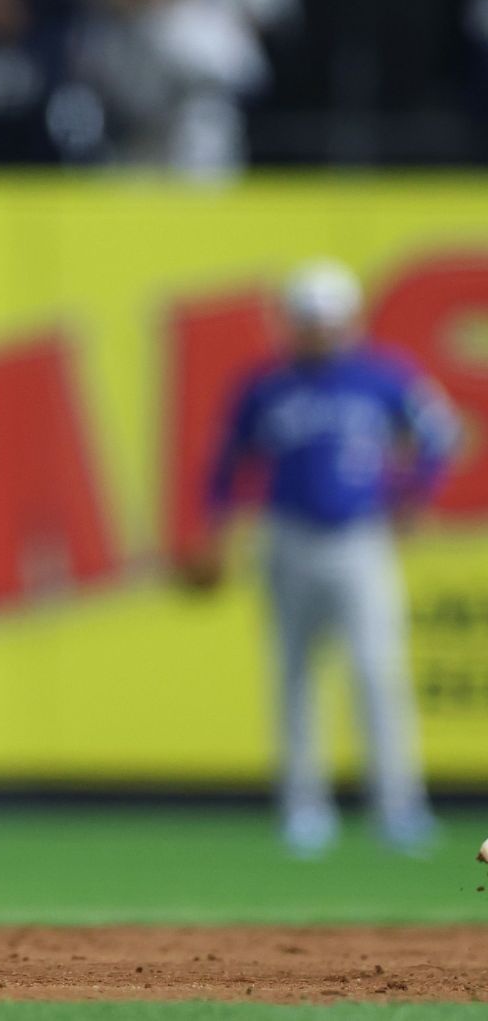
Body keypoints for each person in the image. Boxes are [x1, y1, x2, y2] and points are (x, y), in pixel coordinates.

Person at [181, 259, 458, 856]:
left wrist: (415, 496)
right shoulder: (265, 384)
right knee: (296, 675)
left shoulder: (384, 377)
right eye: (306, 319)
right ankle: (304, 810)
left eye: (326, 318)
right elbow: (225, 463)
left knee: (376, 672)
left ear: (350, 319)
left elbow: (440, 435)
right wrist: (213, 528)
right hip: (287, 537)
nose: (316, 329)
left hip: (361, 536)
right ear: (290, 321)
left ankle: (399, 807)